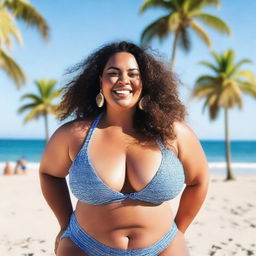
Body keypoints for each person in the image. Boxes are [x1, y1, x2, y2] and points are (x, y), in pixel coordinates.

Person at [39, 41, 209, 256]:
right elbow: (49, 173)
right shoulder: (74, 134)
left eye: (133, 73)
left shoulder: (173, 133)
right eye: (113, 73)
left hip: (163, 247)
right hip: (83, 246)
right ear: (100, 81)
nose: (123, 80)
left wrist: (180, 230)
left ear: (146, 81)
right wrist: (64, 224)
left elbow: (199, 181)